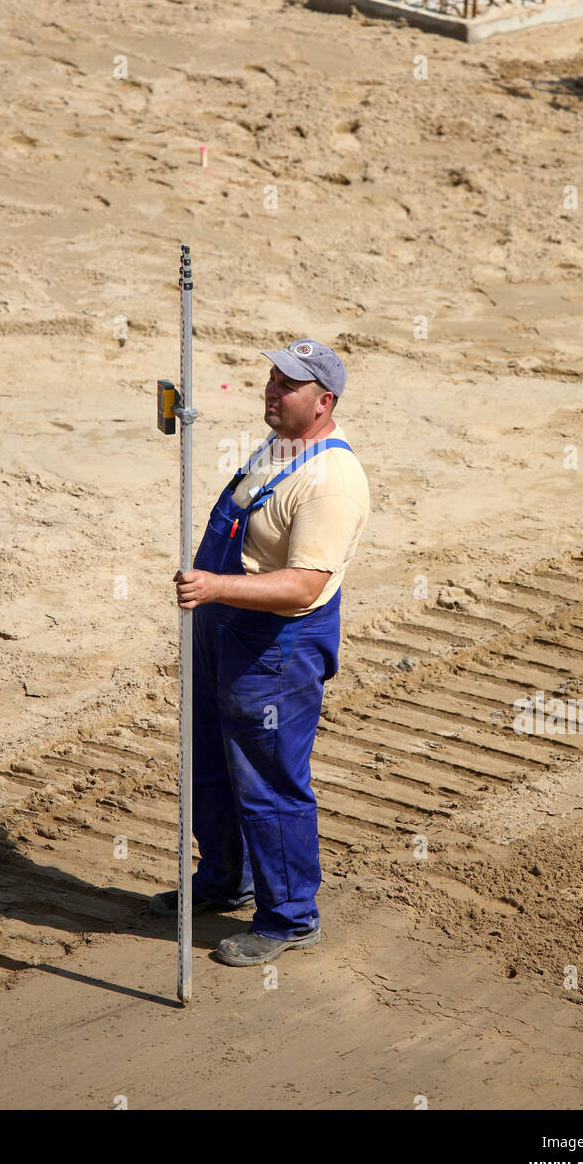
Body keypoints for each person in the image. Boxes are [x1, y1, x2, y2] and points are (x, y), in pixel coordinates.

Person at [150, 338, 370, 967]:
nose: (272, 391)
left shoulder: (331, 482)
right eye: (272, 378)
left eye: (288, 385)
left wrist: (217, 586)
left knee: (268, 782)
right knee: (211, 763)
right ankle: (225, 879)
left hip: (275, 647)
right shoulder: (281, 445)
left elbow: (306, 584)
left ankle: (290, 916)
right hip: (224, 628)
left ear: (323, 401)